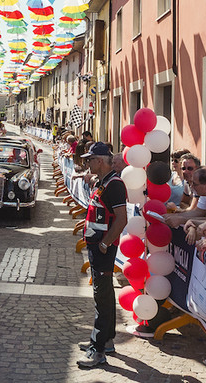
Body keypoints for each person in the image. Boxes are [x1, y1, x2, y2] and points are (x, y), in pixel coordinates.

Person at [77, 142, 128, 369]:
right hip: (97, 245)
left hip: (102, 248)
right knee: (105, 295)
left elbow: (122, 218)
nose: (87, 163)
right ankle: (105, 341)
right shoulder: (103, 181)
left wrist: (106, 244)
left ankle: (97, 350)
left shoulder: (114, 184)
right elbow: (101, 212)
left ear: (99, 161)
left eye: (89, 159)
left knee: (102, 297)